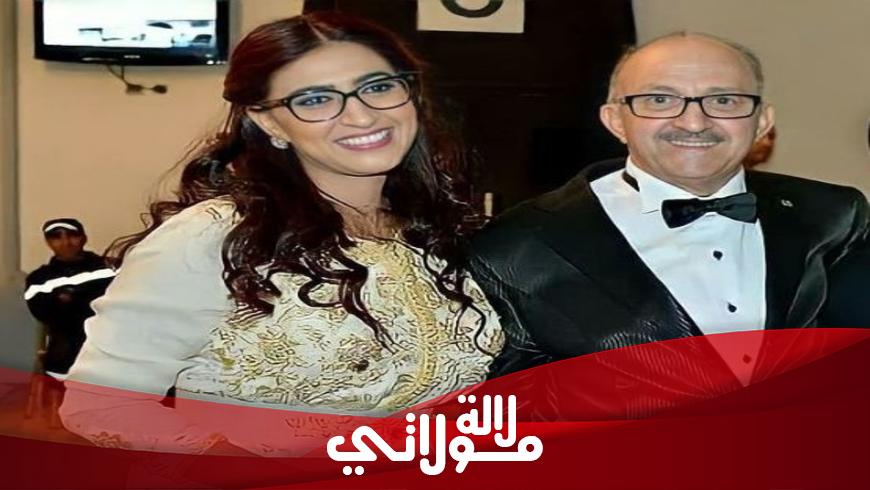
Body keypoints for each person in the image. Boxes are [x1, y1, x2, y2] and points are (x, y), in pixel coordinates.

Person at [60, 12, 503, 453]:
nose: (361, 116)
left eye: (377, 87)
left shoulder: (435, 232)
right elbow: (101, 406)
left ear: (411, 94)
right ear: (268, 122)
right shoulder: (215, 236)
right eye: (315, 99)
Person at [470, 32, 869, 378]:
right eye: (660, 100)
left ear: (762, 122)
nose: (694, 123)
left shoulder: (833, 214)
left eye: (724, 100)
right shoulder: (519, 245)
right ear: (615, 120)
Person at [24, 218, 114, 378]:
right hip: (65, 355)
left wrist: (70, 299)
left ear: (83, 238)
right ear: (48, 242)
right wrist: (87, 299)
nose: (66, 242)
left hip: (109, 347)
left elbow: (117, 306)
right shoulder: (39, 279)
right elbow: (46, 314)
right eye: (56, 237)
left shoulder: (109, 268)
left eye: (72, 235)